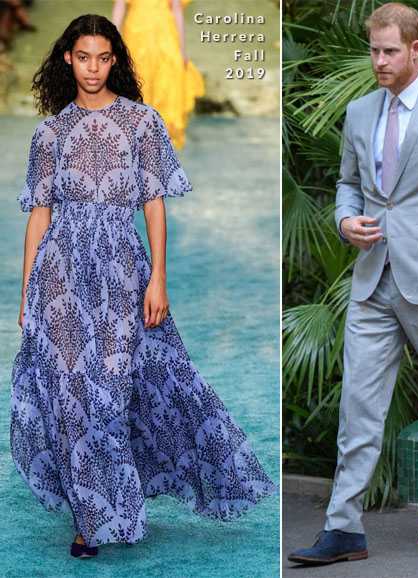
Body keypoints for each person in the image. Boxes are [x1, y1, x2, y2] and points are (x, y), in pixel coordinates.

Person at [11, 14, 275, 559]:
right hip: (60, 275)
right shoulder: (50, 133)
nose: (92, 67)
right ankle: (90, 519)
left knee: (118, 390)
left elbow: (153, 204)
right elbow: (39, 215)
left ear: (115, 61)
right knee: (70, 395)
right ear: (67, 59)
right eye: (82, 57)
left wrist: (157, 278)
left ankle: (124, 499)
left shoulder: (142, 123)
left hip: (123, 273)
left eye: (102, 57)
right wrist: (25, 294)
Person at [287, 2, 418, 566]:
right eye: (373, 50)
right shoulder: (358, 112)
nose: (378, 61)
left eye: (388, 51)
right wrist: (343, 220)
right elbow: (347, 185)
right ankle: (343, 529)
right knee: (358, 408)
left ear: (415, 50)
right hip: (371, 280)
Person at [111, 0, 204, 149]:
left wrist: (182, 49)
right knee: (138, 80)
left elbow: (176, 7)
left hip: (164, 31)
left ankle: (156, 141)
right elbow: (119, 6)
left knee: (166, 82)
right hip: (137, 32)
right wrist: (111, 43)